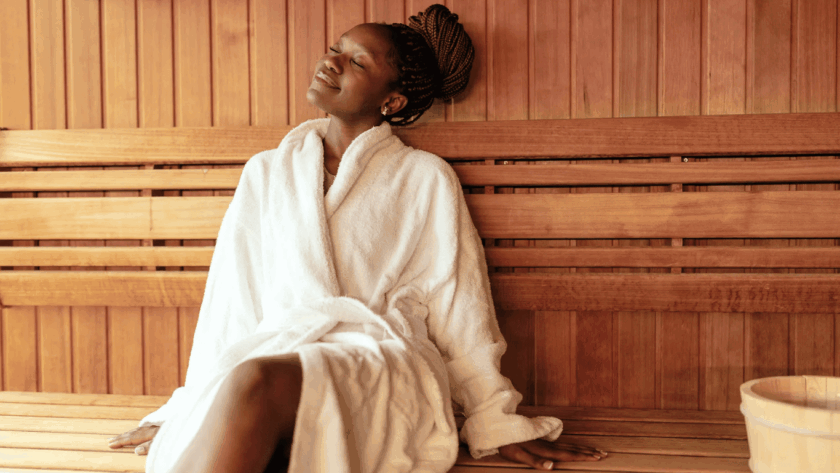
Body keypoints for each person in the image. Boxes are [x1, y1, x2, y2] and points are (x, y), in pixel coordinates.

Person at [107, 5, 607, 472]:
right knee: (250, 387)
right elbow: (232, 302)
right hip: (282, 359)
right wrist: (193, 403)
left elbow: (460, 307)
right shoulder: (267, 173)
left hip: (380, 362)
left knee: (255, 383)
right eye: (335, 48)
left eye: (357, 61)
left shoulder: (423, 177)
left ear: (392, 100)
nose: (332, 62)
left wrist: (493, 417)